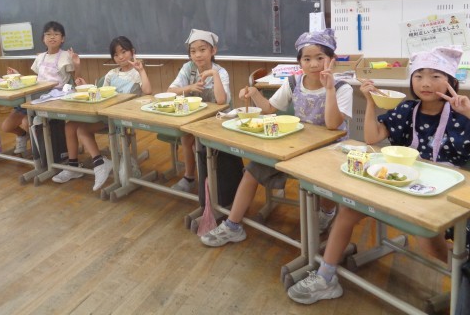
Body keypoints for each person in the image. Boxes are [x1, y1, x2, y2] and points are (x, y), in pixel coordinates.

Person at [287, 46, 470, 305]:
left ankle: (462, 275)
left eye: (435, 76)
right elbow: (372, 137)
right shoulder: (406, 109)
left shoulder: (462, 115)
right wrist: (371, 102)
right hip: (399, 181)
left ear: (451, 80)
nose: (426, 83)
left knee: (429, 242)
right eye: (419, 76)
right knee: (347, 209)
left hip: (441, 191)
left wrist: (468, 113)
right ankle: (326, 277)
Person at [200, 28, 352, 247]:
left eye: (320, 58)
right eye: (307, 59)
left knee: (323, 183)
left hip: (329, 151)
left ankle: (327, 213)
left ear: (332, 60)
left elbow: (332, 125)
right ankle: (233, 226)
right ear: (300, 62)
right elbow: (270, 109)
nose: (313, 64)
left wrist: (328, 89)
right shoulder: (294, 82)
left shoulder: (341, 88)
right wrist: (255, 93)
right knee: (252, 170)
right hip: (296, 146)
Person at [53, 36, 151, 191]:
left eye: (124, 52)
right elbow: (100, 94)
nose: (120, 57)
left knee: (82, 130)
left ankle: (100, 163)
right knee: (71, 126)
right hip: (105, 115)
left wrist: (141, 70)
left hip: (121, 117)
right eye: (116, 54)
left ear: (132, 52)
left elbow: (147, 91)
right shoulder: (111, 74)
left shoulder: (137, 72)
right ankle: (79, 166)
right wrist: (86, 85)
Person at [1, 21, 80, 155]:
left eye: (56, 34)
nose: (52, 37)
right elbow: (37, 81)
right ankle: (24, 137)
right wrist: (18, 76)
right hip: (36, 95)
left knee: (27, 122)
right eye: (48, 34)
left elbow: (77, 81)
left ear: (62, 39)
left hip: (55, 97)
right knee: (6, 126)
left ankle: (44, 155)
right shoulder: (40, 57)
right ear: (43, 39)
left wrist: (77, 65)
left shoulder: (66, 56)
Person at [168, 29, 231, 192]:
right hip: (194, 117)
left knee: (201, 142)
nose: (198, 55)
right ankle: (189, 177)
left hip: (217, 119)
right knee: (186, 137)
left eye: (202, 50)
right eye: (193, 51)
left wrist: (214, 74)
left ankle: (211, 182)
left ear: (213, 51)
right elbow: (170, 90)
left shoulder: (221, 72)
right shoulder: (188, 68)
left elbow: (221, 101)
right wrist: (189, 87)